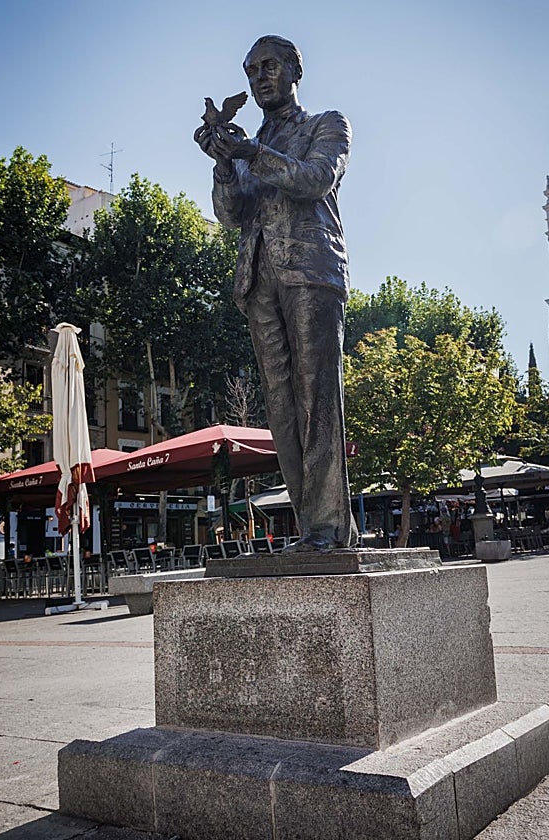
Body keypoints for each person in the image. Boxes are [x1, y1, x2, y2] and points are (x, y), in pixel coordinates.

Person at [194, 35, 356, 554]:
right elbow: (230, 213)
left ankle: (327, 527)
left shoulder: (325, 125)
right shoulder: (248, 142)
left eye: (269, 66)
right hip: (258, 280)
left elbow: (314, 179)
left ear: (294, 72)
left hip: (310, 271)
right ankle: (313, 525)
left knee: (318, 399)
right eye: (251, 70)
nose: (260, 76)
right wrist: (223, 162)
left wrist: (248, 152)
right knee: (281, 408)